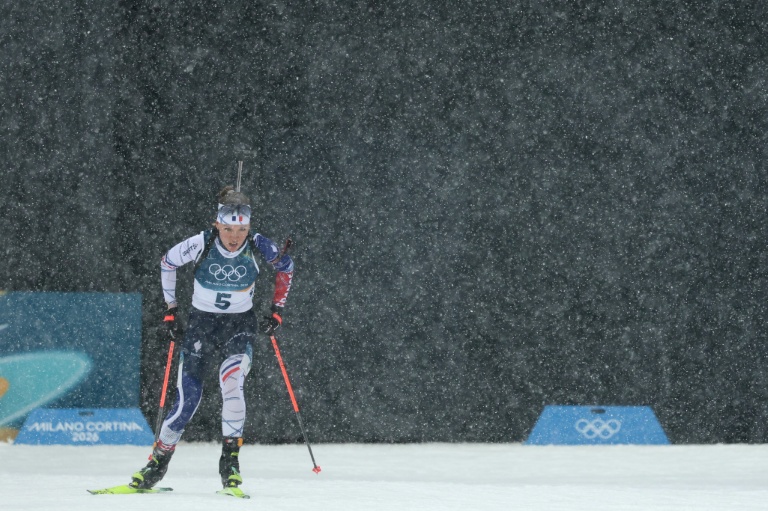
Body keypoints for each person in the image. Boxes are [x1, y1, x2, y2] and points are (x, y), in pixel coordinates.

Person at [128, 185, 294, 497]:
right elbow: (167, 263)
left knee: (231, 384)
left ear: (248, 227)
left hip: (239, 327)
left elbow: (286, 267)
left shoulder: (258, 245)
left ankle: (229, 464)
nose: (234, 236)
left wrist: (277, 310)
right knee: (187, 399)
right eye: (228, 228)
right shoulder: (201, 243)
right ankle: (157, 463)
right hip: (201, 326)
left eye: (241, 229)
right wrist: (170, 310)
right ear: (217, 224)